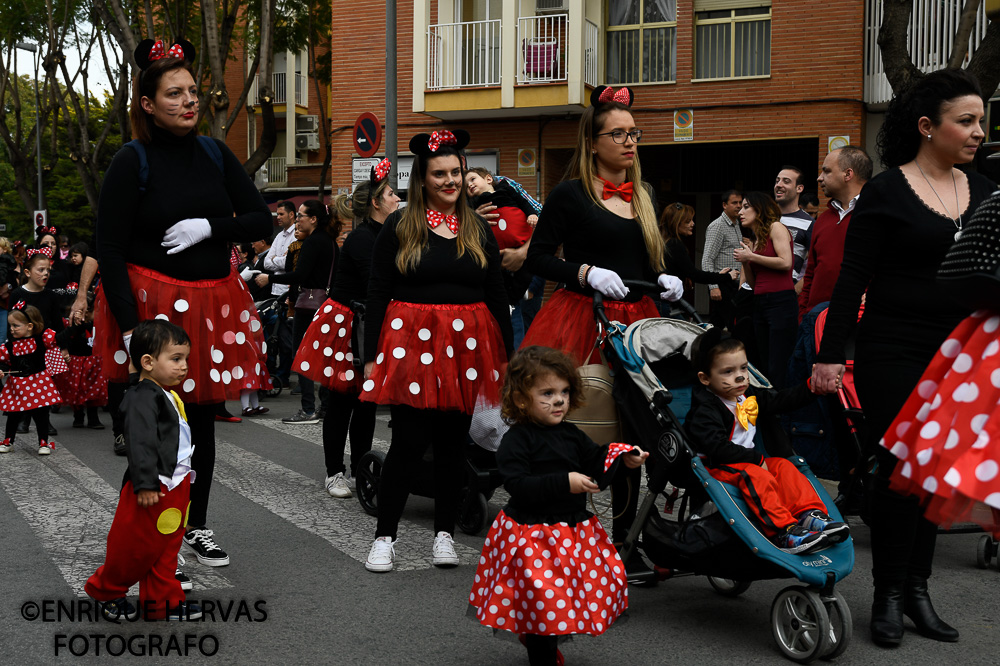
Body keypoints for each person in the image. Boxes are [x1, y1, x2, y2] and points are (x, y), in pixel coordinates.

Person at [811, 68, 994, 647]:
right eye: (965, 121)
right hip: (894, 348)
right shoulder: (887, 192)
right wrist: (829, 356)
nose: (977, 132)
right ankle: (888, 594)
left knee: (937, 475)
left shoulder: (987, 190)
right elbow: (850, 281)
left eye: (981, 121)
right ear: (926, 126)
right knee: (898, 472)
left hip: (962, 355)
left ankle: (918, 591)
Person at [94, 38, 273, 570]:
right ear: (148, 104)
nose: (189, 101)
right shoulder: (134, 160)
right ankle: (149, 547)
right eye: (174, 93)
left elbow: (260, 220)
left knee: (202, 427)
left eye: (193, 91)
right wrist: (132, 332)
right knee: (155, 429)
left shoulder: (216, 153)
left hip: (212, 307)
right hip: (154, 311)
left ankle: (195, 526)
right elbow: (109, 248)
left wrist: (210, 228)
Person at [521, 85, 683, 566]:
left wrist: (664, 279)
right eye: (619, 134)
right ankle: (569, 537)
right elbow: (539, 257)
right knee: (582, 431)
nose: (630, 142)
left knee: (633, 431)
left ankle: (624, 542)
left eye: (634, 133)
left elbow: (643, 259)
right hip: (582, 319)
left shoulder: (647, 193)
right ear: (593, 142)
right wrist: (586, 272)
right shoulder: (570, 193)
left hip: (637, 323)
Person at [361, 129, 512, 573]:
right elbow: (377, 291)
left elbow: (496, 291)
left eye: (456, 172)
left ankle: (443, 534)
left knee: (451, 447)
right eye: (440, 174)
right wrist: (370, 355)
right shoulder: (399, 224)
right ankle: (384, 537)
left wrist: (508, 356)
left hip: (467, 346)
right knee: (408, 444)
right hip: (413, 345)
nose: (450, 180)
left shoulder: (478, 227)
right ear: (422, 180)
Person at [469, 346, 647, 664]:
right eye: (547, 393)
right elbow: (518, 485)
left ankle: (541, 640)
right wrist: (566, 482)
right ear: (521, 399)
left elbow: (595, 464)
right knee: (542, 601)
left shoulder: (571, 434)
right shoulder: (517, 439)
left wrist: (622, 457)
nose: (559, 400)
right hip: (530, 534)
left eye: (564, 391)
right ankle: (543, 652)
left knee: (562, 597)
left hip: (570, 533)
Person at [685, 329, 848, 553]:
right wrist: (755, 458)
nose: (740, 376)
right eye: (728, 372)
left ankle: (809, 515)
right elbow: (717, 447)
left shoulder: (747, 395)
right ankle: (784, 531)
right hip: (717, 467)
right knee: (756, 475)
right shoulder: (705, 410)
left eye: (743, 368)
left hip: (749, 462)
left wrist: (810, 388)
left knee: (785, 467)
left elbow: (781, 400)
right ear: (705, 378)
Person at [293, 160, 400, 498]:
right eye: (391, 194)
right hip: (347, 324)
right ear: (375, 202)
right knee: (342, 402)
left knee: (366, 403)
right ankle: (334, 472)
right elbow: (376, 284)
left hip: (371, 322)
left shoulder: (387, 234)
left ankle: (359, 470)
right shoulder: (361, 239)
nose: (397, 198)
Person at [85, 319, 201, 622]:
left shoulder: (164, 393)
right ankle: (107, 590)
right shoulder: (141, 397)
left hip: (174, 487)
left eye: (185, 359)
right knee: (133, 549)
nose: (184, 366)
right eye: (175, 359)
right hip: (152, 487)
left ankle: (163, 603)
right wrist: (146, 483)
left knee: (165, 549)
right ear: (148, 362)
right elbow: (141, 442)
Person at [255, 200, 340, 424]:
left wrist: (270, 278)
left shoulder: (312, 242)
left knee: (301, 357)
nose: (298, 219)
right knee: (325, 357)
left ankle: (308, 409)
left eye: (301, 215)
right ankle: (325, 407)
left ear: (313, 219)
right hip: (327, 305)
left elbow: (299, 275)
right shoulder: (330, 242)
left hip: (308, 305)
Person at [798, 146, 872, 322]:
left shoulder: (877, 215)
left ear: (848, 174)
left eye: (826, 171)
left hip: (859, 322)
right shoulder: (822, 220)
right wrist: (803, 316)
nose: (819, 178)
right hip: (816, 322)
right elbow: (811, 273)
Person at [467, 167, 538, 346]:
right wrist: (472, 218)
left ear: (489, 179)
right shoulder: (468, 200)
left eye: (473, 179)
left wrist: (523, 251)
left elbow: (538, 213)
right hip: (493, 264)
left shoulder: (506, 186)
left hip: (523, 252)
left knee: (521, 318)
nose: (470, 184)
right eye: (467, 183)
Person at [733, 191, 796, 389]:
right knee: (762, 359)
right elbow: (753, 282)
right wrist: (745, 261)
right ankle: (768, 408)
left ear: (758, 209)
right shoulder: (757, 239)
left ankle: (781, 412)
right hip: (760, 301)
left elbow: (786, 263)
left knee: (778, 362)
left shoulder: (776, 228)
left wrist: (751, 257)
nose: (740, 212)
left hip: (780, 302)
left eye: (745, 207)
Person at [0, 304, 61, 455]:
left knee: (41, 414)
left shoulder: (42, 340)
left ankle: (43, 442)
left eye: (16, 325)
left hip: (38, 382)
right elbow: (3, 361)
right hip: (17, 385)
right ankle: (8, 440)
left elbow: (60, 339)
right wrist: (1, 369)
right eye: (10, 325)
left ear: (29, 326)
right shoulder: (8, 346)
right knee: (13, 414)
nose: (12, 329)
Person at [659, 202, 738, 315]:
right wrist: (726, 277)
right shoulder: (675, 245)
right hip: (666, 304)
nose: (692, 224)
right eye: (688, 221)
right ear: (675, 223)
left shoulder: (664, 243)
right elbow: (695, 275)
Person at [55, 292, 106, 429]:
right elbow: (63, 338)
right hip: (77, 361)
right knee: (76, 389)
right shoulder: (73, 324)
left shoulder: (97, 323)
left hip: (93, 360)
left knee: (93, 389)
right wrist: (77, 323)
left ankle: (93, 417)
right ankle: (78, 416)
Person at [263, 201, 297, 386]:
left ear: (292, 215)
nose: (278, 217)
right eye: (277, 214)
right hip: (276, 292)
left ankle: (283, 375)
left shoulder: (296, 235)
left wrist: (279, 260)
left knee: (285, 338)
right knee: (272, 335)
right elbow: (267, 262)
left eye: (281, 214)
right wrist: (279, 260)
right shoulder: (279, 236)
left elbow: (290, 263)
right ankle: (274, 372)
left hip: (288, 293)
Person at [702, 189, 744, 330]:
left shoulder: (737, 223)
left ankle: (707, 349)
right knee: (734, 324)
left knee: (717, 325)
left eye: (740, 202)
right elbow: (707, 259)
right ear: (724, 205)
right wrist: (714, 287)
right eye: (734, 203)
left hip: (734, 284)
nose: (738, 206)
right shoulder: (718, 226)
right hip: (722, 284)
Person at [773, 166, 813, 290]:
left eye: (786, 181)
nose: (779, 185)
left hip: (785, 293)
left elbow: (814, 264)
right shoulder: (764, 218)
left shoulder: (809, 223)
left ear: (799, 188)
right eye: (777, 180)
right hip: (756, 292)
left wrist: (795, 291)